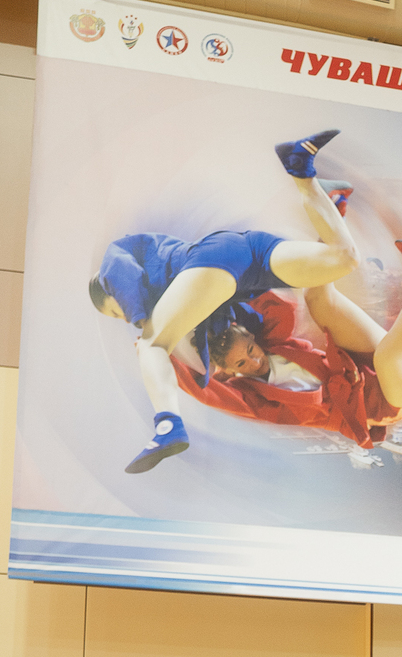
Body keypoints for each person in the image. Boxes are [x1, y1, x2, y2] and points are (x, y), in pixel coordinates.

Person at [90, 128, 383, 473]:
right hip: (246, 254)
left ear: (109, 293)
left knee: (151, 346)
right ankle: (306, 177)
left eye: (116, 312)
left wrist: (144, 324)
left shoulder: (113, 271)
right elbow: (211, 341)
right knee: (343, 258)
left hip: (213, 262)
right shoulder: (199, 308)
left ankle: (167, 426)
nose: (125, 318)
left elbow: (130, 288)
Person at [177, 230, 402, 466]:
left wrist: (231, 288)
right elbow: (206, 392)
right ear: (227, 370)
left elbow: (278, 308)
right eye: (241, 364)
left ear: (251, 338)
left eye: (250, 351)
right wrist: (162, 347)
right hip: (390, 404)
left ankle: (331, 219)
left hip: (363, 368)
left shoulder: (272, 344)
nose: (254, 362)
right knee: (389, 357)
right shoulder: (256, 398)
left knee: (318, 297)